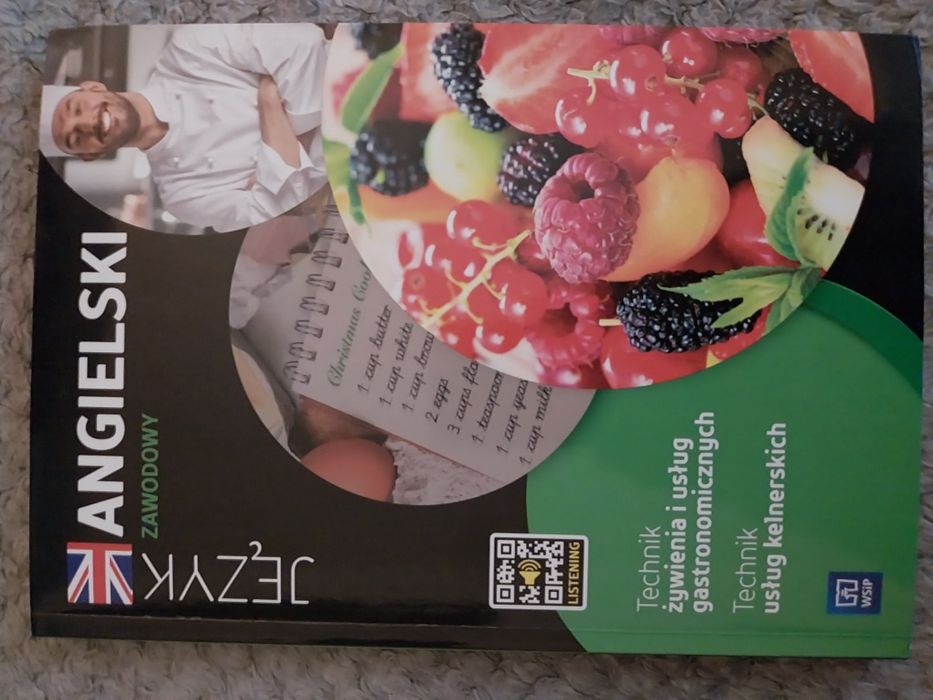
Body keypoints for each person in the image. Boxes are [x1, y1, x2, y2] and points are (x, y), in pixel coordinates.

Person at [38, 24, 332, 233]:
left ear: (93, 87)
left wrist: (288, 162)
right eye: (75, 138)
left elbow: (304, 44)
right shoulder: (182, 196)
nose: (87, 123)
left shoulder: (190, 49)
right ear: (91, 155)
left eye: (76, 108)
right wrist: (269, 98)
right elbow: (278, 217)